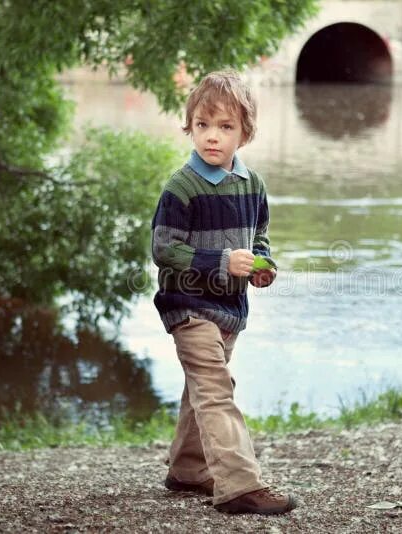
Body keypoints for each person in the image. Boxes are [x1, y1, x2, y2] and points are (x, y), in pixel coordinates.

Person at [150, 70, 296, 515]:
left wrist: (262, 266)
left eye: (225, 126)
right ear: (190, 127)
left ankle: (188, 469)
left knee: (206, 385)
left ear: (244, 133)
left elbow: (259, 237)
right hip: (187, 305)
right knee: (215, 389)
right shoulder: (181, 188)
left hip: (229, 308)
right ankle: (240, 486)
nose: (212, 136)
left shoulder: (253, 185)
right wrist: (220, 262)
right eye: (203, 125)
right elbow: (163, 249)